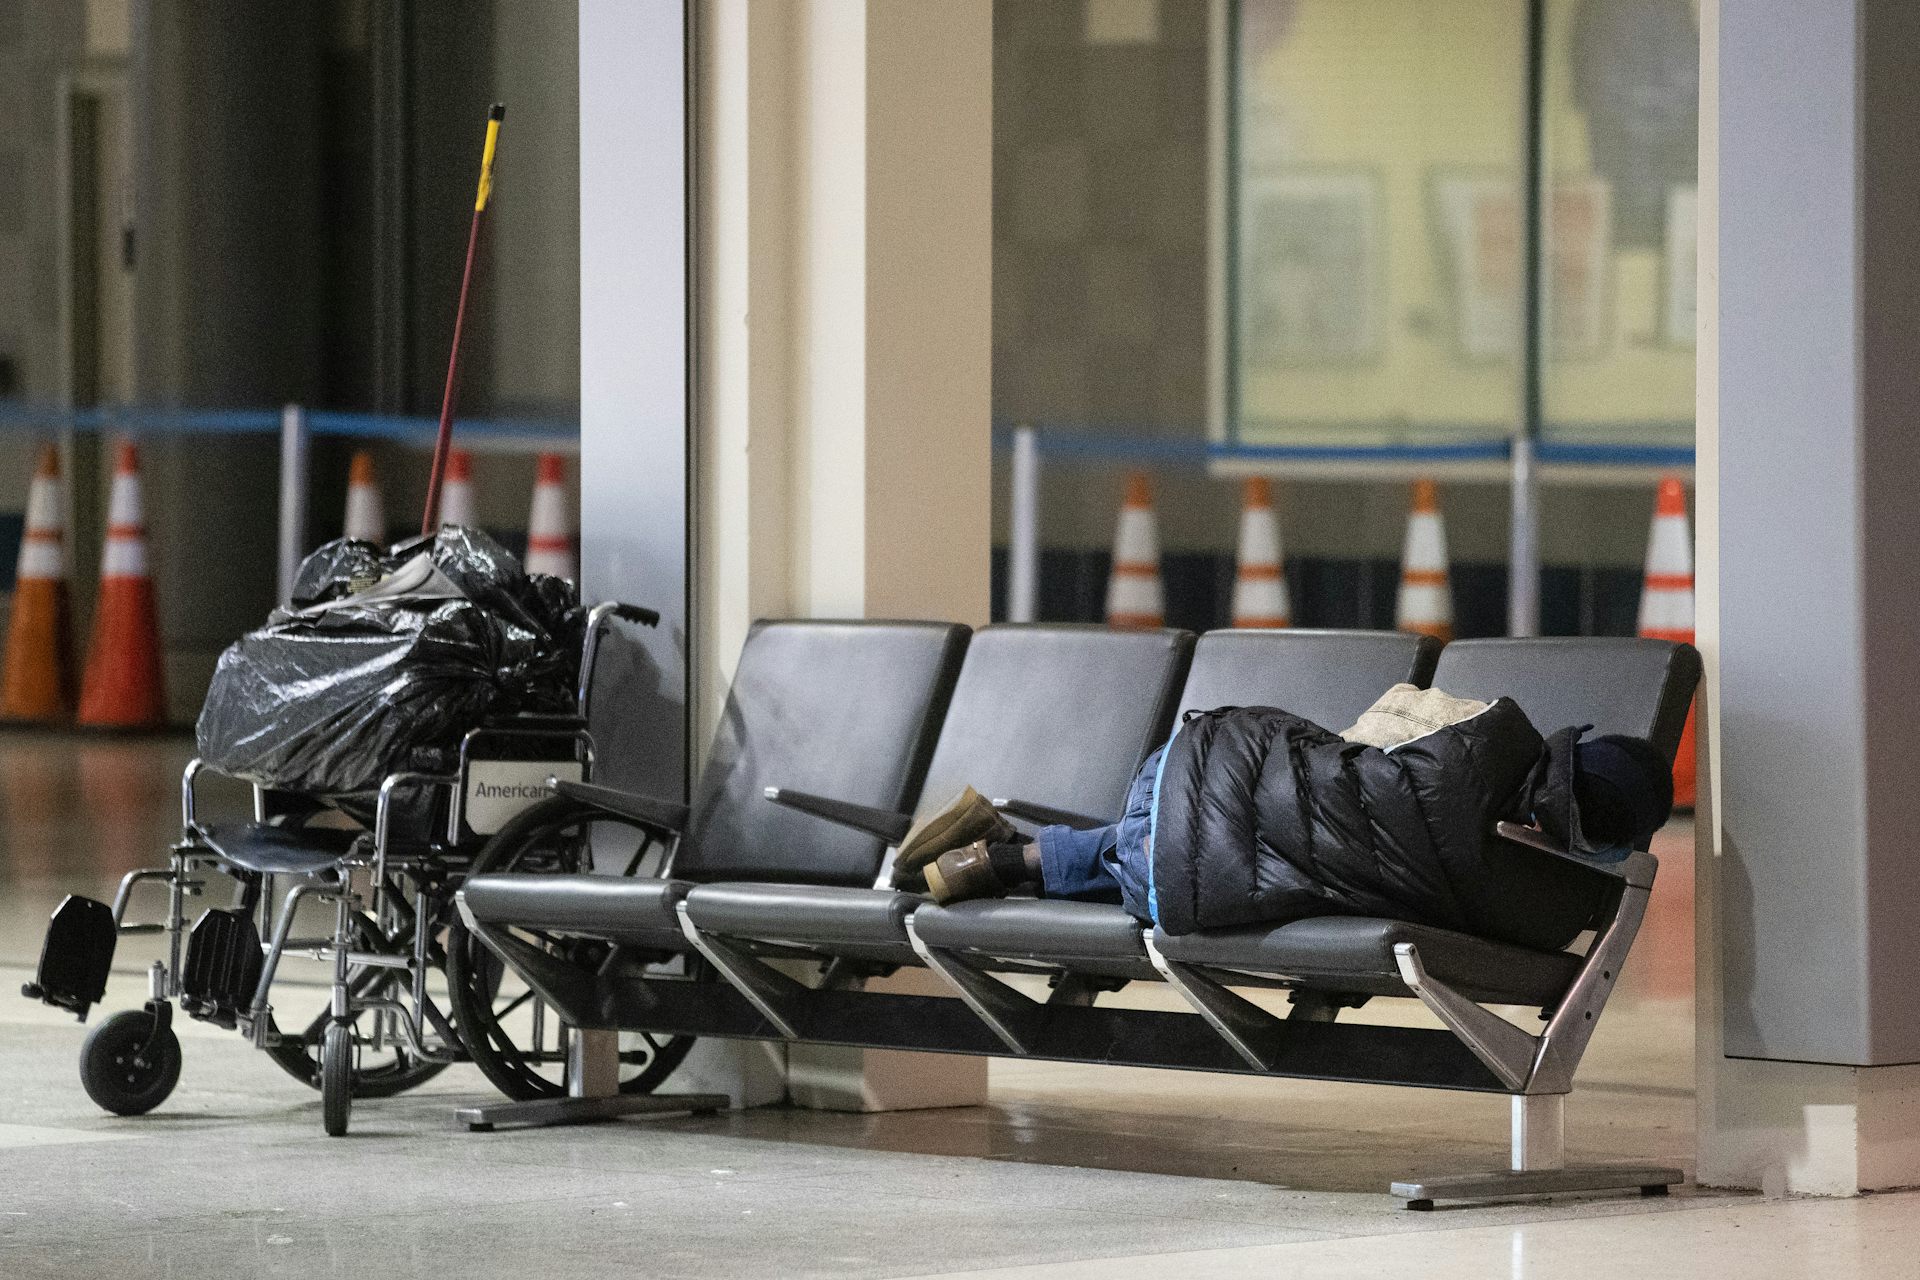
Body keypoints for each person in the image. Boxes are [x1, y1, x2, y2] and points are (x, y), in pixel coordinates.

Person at [890, 684, 1675, 955]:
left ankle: (1006, 856)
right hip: (1189, 890)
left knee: (1207, 825)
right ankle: (1006, 860)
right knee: (1208, 853)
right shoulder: (1546, 908)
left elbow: (1372, 738)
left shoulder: (1487, 743)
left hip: (1189, 776)